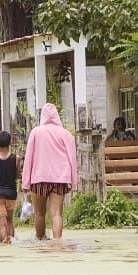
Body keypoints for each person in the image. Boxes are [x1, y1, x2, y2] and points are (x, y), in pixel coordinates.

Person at [21, 103, 79, 242]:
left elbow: (29, 158)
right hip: (60, 178)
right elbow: (72, 158)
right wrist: (74, 183)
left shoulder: (36, 132)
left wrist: (25, 182)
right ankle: (58, 242)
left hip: (39, 178)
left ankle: (40, 240)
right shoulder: (65, 134)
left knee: (39, 213)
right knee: (56, 213)